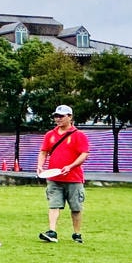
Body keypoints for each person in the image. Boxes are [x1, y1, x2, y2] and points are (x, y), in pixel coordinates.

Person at [36, 104, 90, 243]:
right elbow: (43, 152)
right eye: (56, 116)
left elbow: (84, 154)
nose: (58, 119)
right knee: (54, 205)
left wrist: (71, 166)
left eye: (61, 116)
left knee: (76, 208)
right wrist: (40, 166)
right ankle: (52, 232)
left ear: (70, 117)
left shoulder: (79, 135)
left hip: (74, 178)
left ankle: (77, 234)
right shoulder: (50, 135)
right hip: (54, 177)